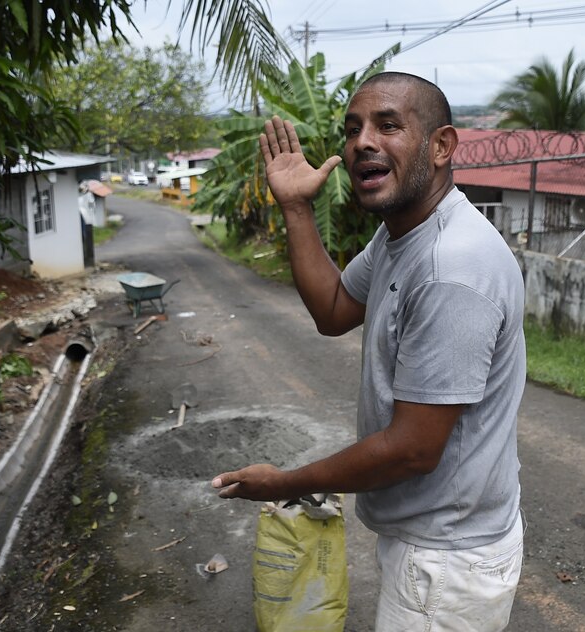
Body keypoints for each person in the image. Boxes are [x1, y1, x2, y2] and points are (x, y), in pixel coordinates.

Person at [211, 72, 526, 631]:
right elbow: (334, 309)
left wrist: (287, 482)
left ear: (442, 146)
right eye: (353, 128)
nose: (362, 142)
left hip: (446, 562)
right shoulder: (401, 234)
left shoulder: (451, 268)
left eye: (388, 125)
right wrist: (296, 209)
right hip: (429, 542)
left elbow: (411, 450)